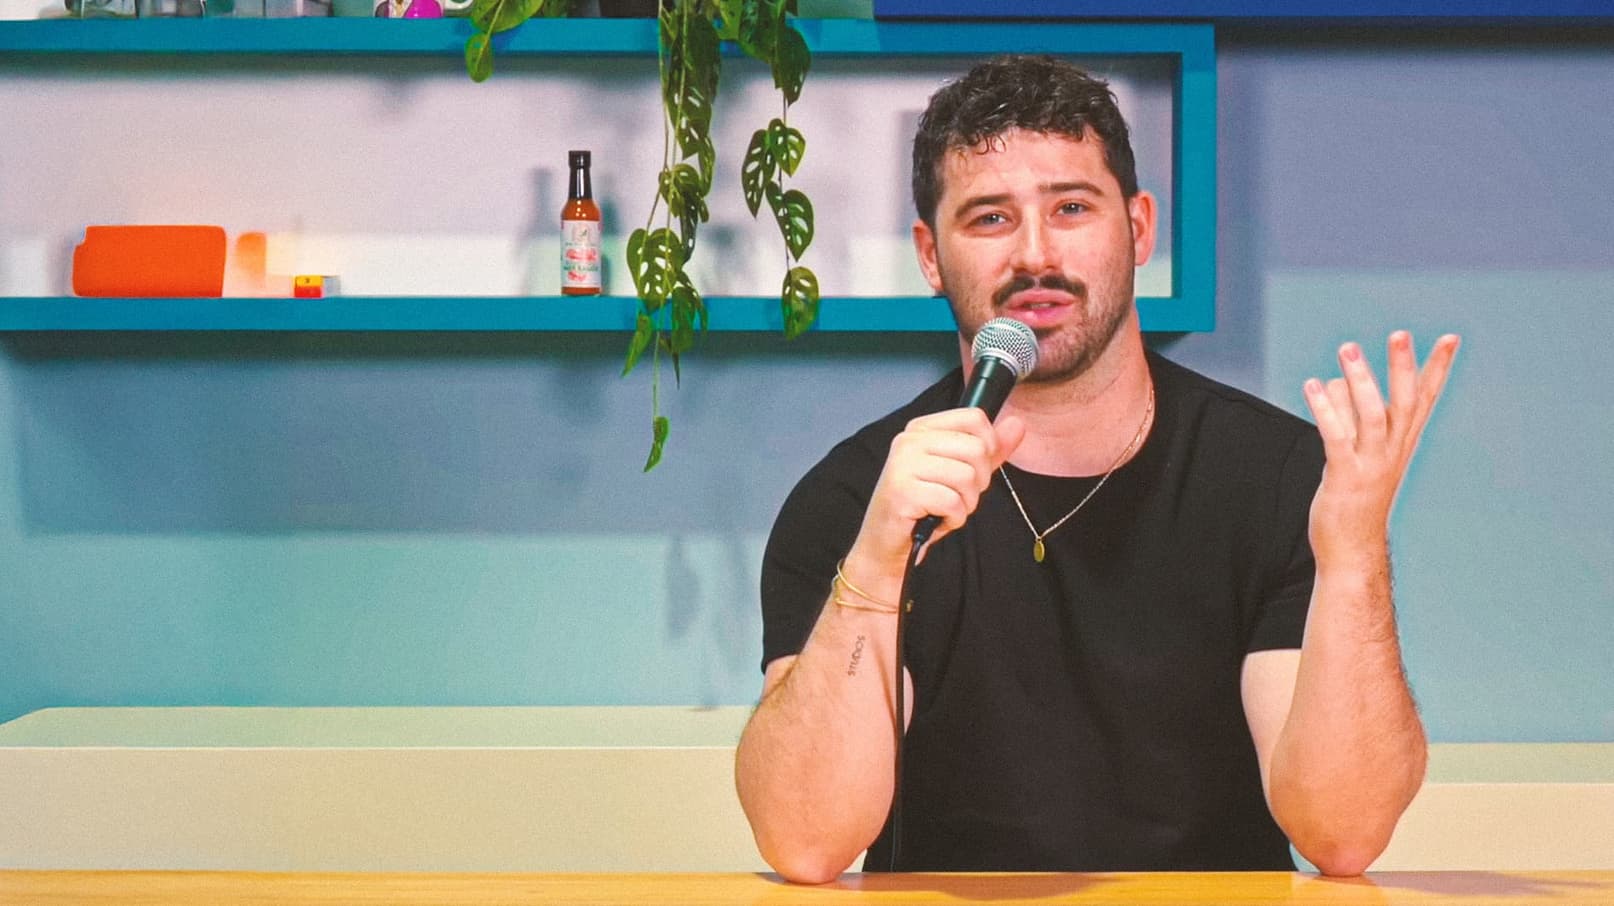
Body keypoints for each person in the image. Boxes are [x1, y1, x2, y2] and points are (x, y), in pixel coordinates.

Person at [733, 54, 1462, 883]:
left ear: (1139, 229)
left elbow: (1342, 833)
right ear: (931, 256)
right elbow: (805, 840)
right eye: (989, 218)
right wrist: (872, 565)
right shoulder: (861, 497)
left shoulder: (1279, 477)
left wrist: (1355, 551)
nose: (1035, 254)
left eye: (1072, 208)